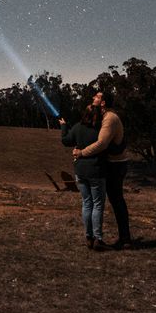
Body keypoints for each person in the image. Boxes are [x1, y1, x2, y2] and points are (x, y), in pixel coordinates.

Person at [74, 90, 132, 249]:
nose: (93, 98)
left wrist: (81, 153)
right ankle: (100, 237)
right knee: (104, 201)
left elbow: (101, 144)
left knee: (116, 199)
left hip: (116, 164)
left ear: (104, 102)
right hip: (107, 163)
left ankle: (125, 239)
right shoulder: (100, 116)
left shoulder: (110, 118)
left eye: (97, 97)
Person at [58, 103, 107, 251]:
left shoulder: (78, 127)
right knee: (98, 204)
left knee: (87, 203)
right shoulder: (100, 130)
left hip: (80, 170)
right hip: (96, 170)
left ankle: (88, 237)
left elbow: (66, 141)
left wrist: (64, 126)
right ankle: (98, 238)